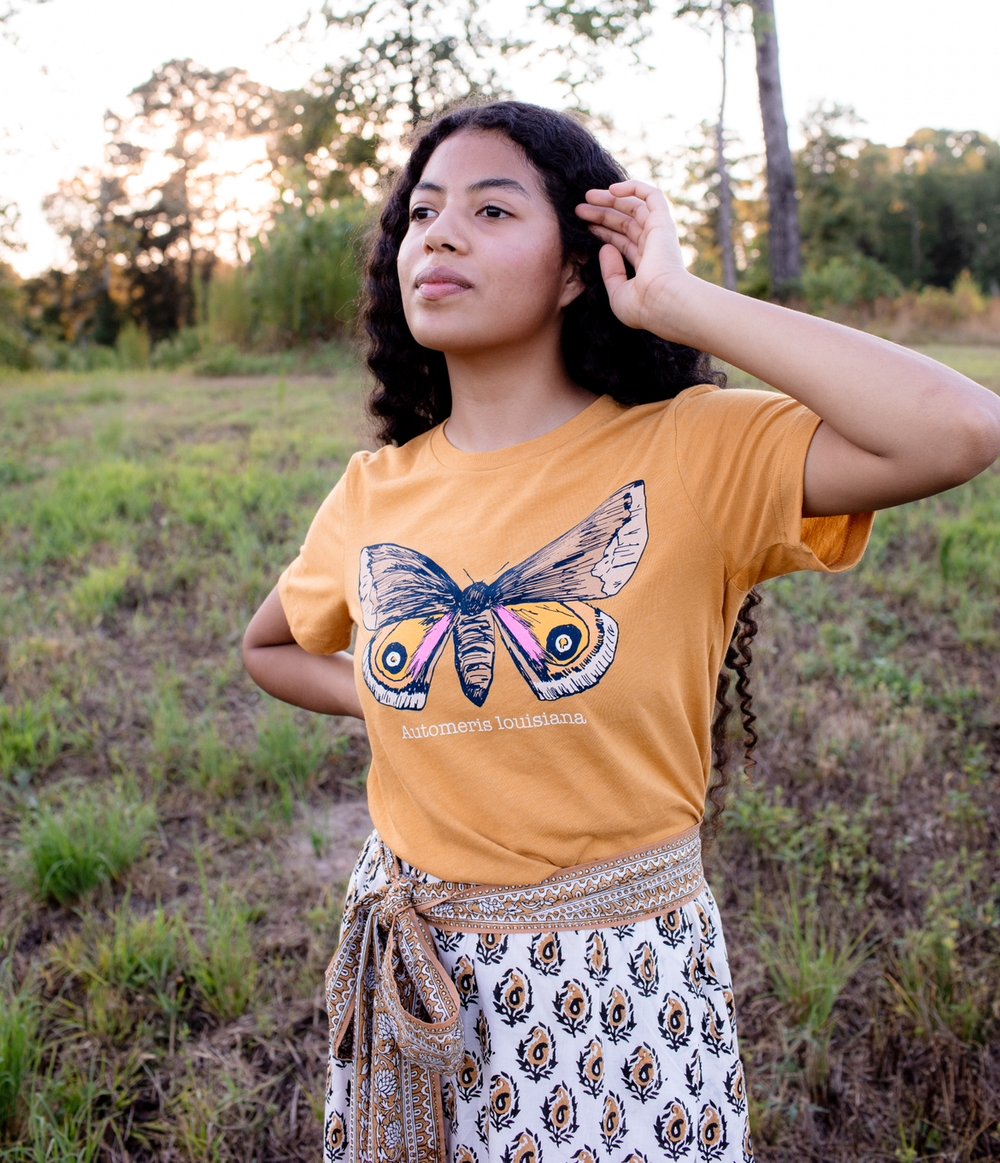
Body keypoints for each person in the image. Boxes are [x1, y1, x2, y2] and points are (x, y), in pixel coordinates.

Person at [243, 102, 1000, 1163]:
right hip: (415, 968)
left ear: (574, 268)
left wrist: (682, 301)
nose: (440, 234)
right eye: (421, 214)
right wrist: (396, 689)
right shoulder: (375, 491)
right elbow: (270, 646)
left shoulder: (689, 452)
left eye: (490, 208)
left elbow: (960, 427)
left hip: (616, 984)